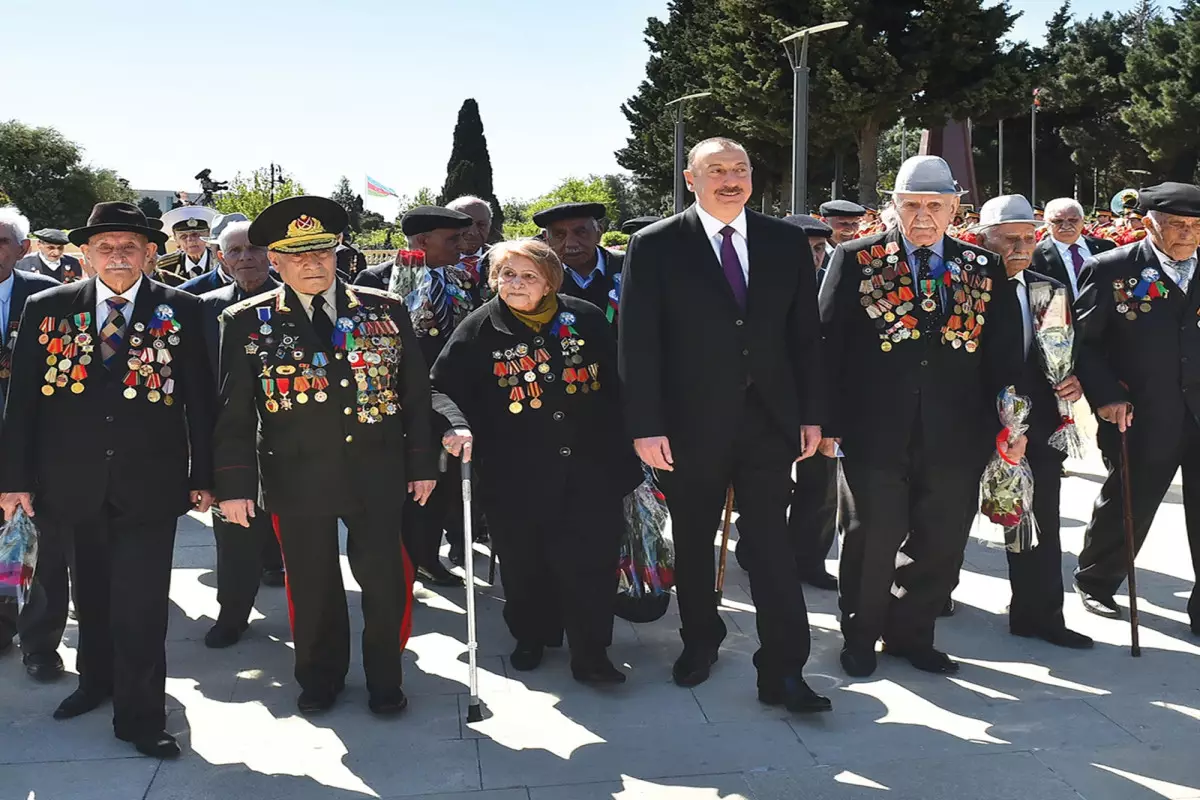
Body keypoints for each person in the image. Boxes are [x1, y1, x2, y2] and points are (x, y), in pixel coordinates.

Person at [619, 137, 830, 713]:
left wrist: (813, 413)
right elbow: (638, 343)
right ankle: (700, 642)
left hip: (769, 422)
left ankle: (785, 670)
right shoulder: (655, 245)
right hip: (688, 428)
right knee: (692, 541)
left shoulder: (786, 241)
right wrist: (646, 424)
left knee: (771, 547)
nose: (731, 179)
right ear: (692, 178)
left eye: (740, 169)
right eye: (717, 170)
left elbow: (805, 337)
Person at [0, 201, 214, 759]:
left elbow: (201, 402)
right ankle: (95, 684)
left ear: (149, 253)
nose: (117, 255)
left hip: (151, 483)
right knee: (90, 600)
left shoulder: (184, 309)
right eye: (105, 247)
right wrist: (15, 478)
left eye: (129, 246)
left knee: (141, 606)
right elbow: (21, 403)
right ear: (86, 254)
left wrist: (205, 475)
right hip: (68, 484)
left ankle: (141, 715)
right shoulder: (49, 307)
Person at [215, 196, 436, 715]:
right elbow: (234, 412)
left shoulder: (386, 310)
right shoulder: (246, 321)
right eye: (297, 255)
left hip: (376, 470)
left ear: (339, 254)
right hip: (296, 474)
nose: (312, 264)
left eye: (322, 252)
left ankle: (386, 677)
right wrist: (234, 485)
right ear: (276, 262)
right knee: (312, 587)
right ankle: (319, 677)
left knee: (385, 583)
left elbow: (415, 395)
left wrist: (423, 464)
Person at [819, 156, 1025, 678]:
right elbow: (826, 345)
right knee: (873, 536)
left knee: (941, 541)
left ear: (956, 208)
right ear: (893, 206)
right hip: (873, 431)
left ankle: (913, 633)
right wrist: (825, 423)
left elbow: (1003, 356)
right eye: (912, 204)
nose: (923, 215)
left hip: (958, 432)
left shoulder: (982, 267)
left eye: (935, 205)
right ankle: (861, 636)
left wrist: (1012, 426)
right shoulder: (856, 258)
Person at [432, 239, 642, 682]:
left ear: (550, 281)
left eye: (528, 275)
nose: (516, 284)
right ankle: (531, 635)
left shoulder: (584, 317)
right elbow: (439, 387)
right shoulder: (477, 328)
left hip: (590, 469)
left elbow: (624, 381)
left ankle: (591, 653)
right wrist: (456, 424)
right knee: (525, 563)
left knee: (590, 563)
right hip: (515, 473)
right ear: (493, 280)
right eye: (506, 275)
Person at [1073, 182, 1200, 634]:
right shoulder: (1111, 269)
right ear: (1149, 224)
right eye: (1176, 225)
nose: (1187, 234)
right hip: (1142, 411)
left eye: (1195, 225)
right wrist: (1106, 395)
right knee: (1130, 501)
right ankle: (1096, 581)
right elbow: (1085, 346)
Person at [971, 195, 1094, 649]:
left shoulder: (1049, 289)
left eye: (1028, 237)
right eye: (1009, 239)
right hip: (968, 421)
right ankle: (922, 607)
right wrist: (998, 425)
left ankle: (1038, 614)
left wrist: (1071, 380)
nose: (1021, 247)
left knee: (1037, 519)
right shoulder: (967, 284)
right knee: (943, 521)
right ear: (983, 240)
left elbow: (1062, 350)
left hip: (1037, 424)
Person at [355, 206, 475, 587]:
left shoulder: (461, 277)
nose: (462, 245)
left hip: (452, 403)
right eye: (451, 239)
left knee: (442, 487)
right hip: (400, 402)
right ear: (422, 242)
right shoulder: (376, 280)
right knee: (407, 487)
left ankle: (428, 556)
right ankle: (402, 562)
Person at [196, 220, 284, 648]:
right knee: (232, 536)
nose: (246, 258)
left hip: (290, 441)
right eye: (236, 252)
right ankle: (232, 614)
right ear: (221, 259)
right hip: (230, 441)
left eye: (255, 249)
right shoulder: (204, 307)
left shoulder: (296, 304)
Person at [0, 207, 65, 681]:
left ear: (23, 249)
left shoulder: (48, 298)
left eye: (2, 240)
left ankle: (39, 643)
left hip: (31, 443)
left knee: (35, 548)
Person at [772, 213, 840, 591]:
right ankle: (758, 549)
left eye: (819, 249)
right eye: (807, 249)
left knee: (820, 486)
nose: (814, 257)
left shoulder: (836, 279)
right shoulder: (762, 283)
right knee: (771, 485)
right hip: (773, 400)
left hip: (819, 400)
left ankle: (809, 559)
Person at [537, 203, 624, 327]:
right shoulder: (539, 276)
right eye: (559, 235)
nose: (571, 244)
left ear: (599, 232)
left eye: (581, 232)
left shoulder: (628, 266)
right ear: (546, 239)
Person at [1033, 198, 1117, 298]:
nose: (1066, 226)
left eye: (1073, 220)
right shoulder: (1035, 255)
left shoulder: (1106, 248)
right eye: (1058, 221)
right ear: (1046, 224)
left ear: (1082, 221)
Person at [178, 213, 250, 295]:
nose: (245, 256)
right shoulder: (190, 291)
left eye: (252, 248)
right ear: (217, 252)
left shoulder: (266, 282)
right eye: (234, 250)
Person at [155, 205, 218, 286]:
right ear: (176, 240)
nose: (190, 240)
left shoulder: (222, 262)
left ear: (208, 235)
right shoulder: (166, 266)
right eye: (183, 236)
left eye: (196, 234)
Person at [16, 228, 84, 283]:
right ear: (39, 245)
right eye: (51, 248)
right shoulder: (22, 263)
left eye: (60, 248)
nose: (56, 253)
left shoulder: (73, 263)